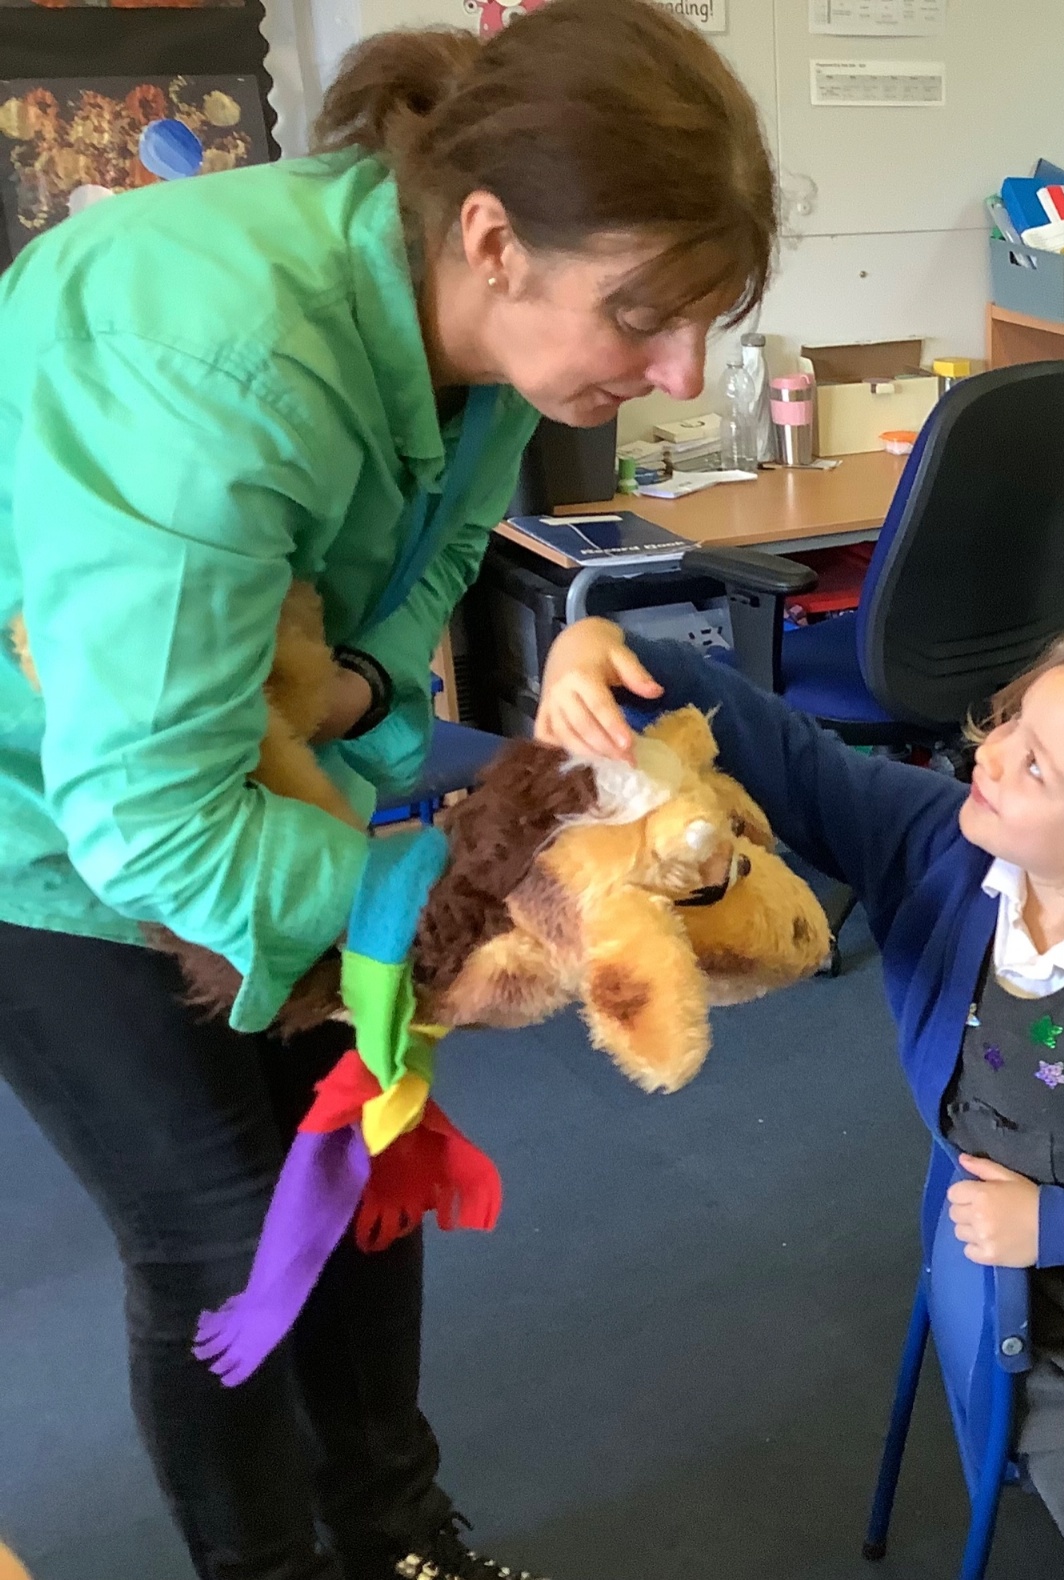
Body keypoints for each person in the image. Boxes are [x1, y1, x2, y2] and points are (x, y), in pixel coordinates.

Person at [0, 5, 776, 1577]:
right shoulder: (210, 359)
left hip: (252, 780)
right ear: (492, 239)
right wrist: (462, 910)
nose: (678, 371)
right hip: (46, 819)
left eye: (704, 321)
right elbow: (148, 820)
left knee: (361, 1139)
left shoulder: (486, 339)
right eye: (644, 316)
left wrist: (352, 695)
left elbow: (428, 572)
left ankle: (394, 1536)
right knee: (220, 1226)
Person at [536, 619, 1064, 1580]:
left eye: (1035, 766)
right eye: (1010, 722)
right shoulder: (940, 849)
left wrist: (1053, 1224)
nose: (988, 751)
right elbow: (790, 757)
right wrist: (602, 649)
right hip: (1032, 1319)